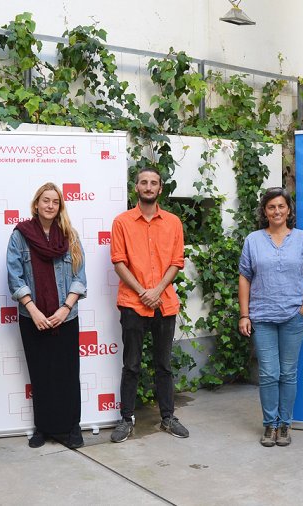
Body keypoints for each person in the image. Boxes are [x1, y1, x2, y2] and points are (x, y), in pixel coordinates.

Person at [109, 167, 189, 443]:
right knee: (131, 364)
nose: (148, 186)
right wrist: (143, 291)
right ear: (136, 188)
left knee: (163, 364)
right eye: (143, 182)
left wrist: (156, 290)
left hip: (164, 302)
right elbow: (119, 262)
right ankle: (126, 419)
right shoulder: (121, 222)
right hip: (133, 302)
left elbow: (176, 262)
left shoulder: (173, 223)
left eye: (153, 183)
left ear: (160, 189)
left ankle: (168, 417)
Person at [6, 183, 87, 449]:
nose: (50, 206)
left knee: (67, 373)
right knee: (40, 373)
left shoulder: (70, 236)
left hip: (66, 317)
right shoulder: (20, 235)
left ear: (60, 207)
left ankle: (72, 427)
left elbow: (80, 276)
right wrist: (33, 309)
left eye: (55, 202)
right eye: (45, 201)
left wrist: (65, 308)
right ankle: (43, 427)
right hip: (33, 317)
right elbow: (14, 275)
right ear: (36, 204)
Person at [238, 187, 303, 447]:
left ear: (289, 210)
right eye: (271, 207)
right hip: (261, 316)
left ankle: (285, 424)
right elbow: (244, 277)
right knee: (268, 373)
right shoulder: (253, 240)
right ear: (265, 211)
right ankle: (269, 424)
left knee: (288, 373)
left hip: (293, 317)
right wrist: (244, 314)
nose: (276, 211)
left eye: (281, 206)